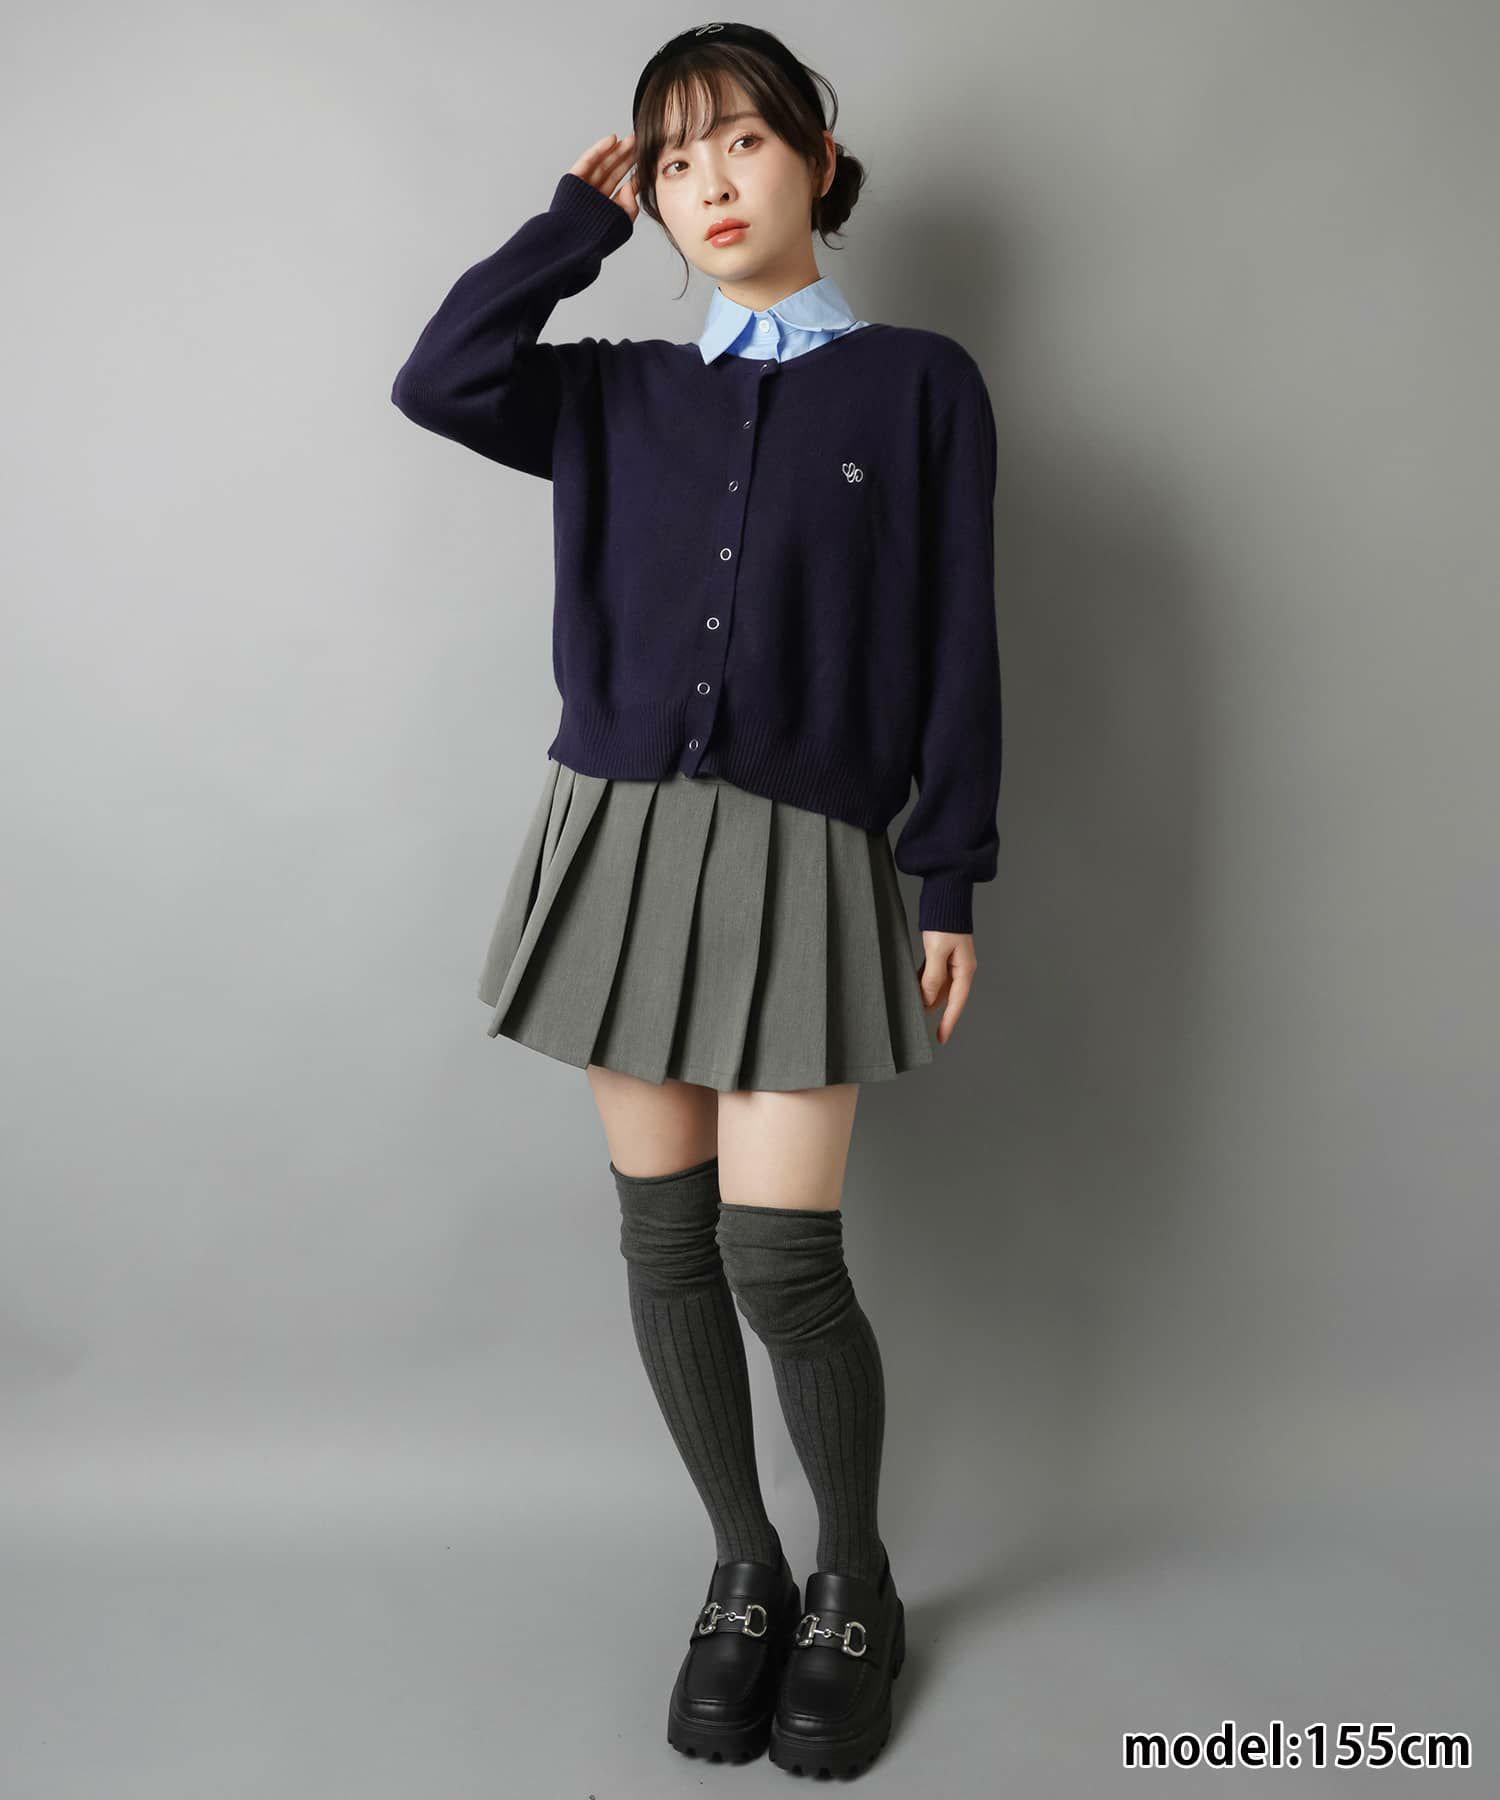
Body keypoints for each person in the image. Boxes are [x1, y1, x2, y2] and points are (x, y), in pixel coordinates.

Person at [390, 20, 1001, 1780]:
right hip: (618, 843)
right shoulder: (611, 394)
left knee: (778, 1259)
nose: (709, 181)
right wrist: (568, 230)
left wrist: (949, 869)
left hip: (814, 850)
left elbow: (960, 637)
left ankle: (852, 1578)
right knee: (662, 1243)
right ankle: (743, 1567)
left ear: (819, 159)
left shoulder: (920, 385)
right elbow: (439, 378)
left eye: (741, 140)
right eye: (673, 161)